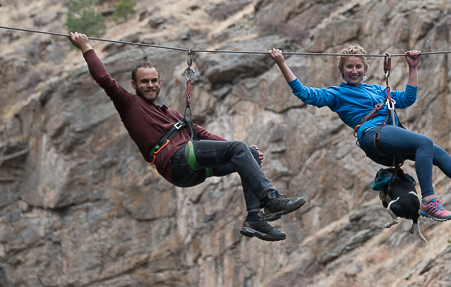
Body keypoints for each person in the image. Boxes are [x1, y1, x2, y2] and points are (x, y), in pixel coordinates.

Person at [69, 32, 305, 242]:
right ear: (134, 85)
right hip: (175, 160)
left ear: (159, 83)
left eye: (154, 81)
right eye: (144, 82)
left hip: (191, 168)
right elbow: (104, 80)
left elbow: (202, 133)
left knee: (248, 153)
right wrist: (86, 47)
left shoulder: (170, 113)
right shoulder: (129, 105)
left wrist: (244, 152)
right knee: (240, 150)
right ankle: (271, 199)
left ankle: (255, 218)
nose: (150, 85)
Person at [268, 45, 451, 221]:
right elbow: (306, 94)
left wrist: (412, 68)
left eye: (358, 67)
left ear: (365, 69)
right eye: (349, 67)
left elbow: (407, 99)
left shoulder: (378, 89)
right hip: (371, 135)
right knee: (423, 142)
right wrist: (281, 63)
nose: (354, 71)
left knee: (433, 149)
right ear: (342, 70)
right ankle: (428, 201)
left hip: (387, 135)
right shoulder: (336, 94)